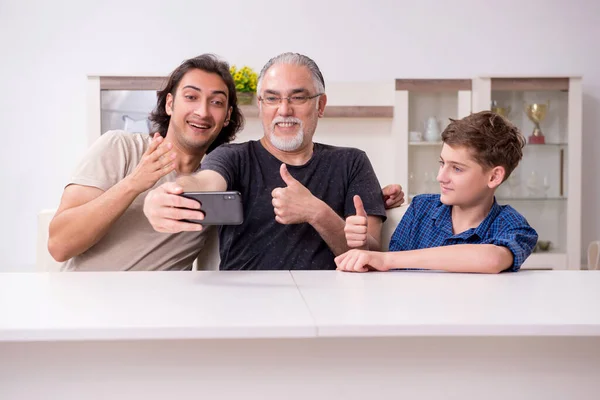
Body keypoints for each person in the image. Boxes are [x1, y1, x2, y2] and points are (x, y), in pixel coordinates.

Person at [143, 52, 405, 270]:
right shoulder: (233, 157)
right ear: (260, 105)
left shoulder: (351, 162)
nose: (284, 110)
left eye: (298, 97)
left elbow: (370, 259)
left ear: (320, 105)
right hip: (246, 306)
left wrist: (317, 212)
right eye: (272, 98)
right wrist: (169, 193)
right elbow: (204, 181)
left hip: (329, 306)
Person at [48, 54, 245, 271]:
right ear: (170, 104)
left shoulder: (218, 180)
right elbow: (59, 245)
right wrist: (134, 183)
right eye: (191, 97)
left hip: (162, 303)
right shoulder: (121, 147)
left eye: (216, 102)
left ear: (227, 116)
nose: (202, 112)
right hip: (84, 300)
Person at [336, 110, 538, 274]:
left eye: (457, 168)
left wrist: (387, 259)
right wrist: (362, 246)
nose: (441, 177)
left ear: (494, 177)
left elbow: (492, 259)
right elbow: (389, 276)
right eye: (442, 163)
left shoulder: (511, 224)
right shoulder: (421, 208)